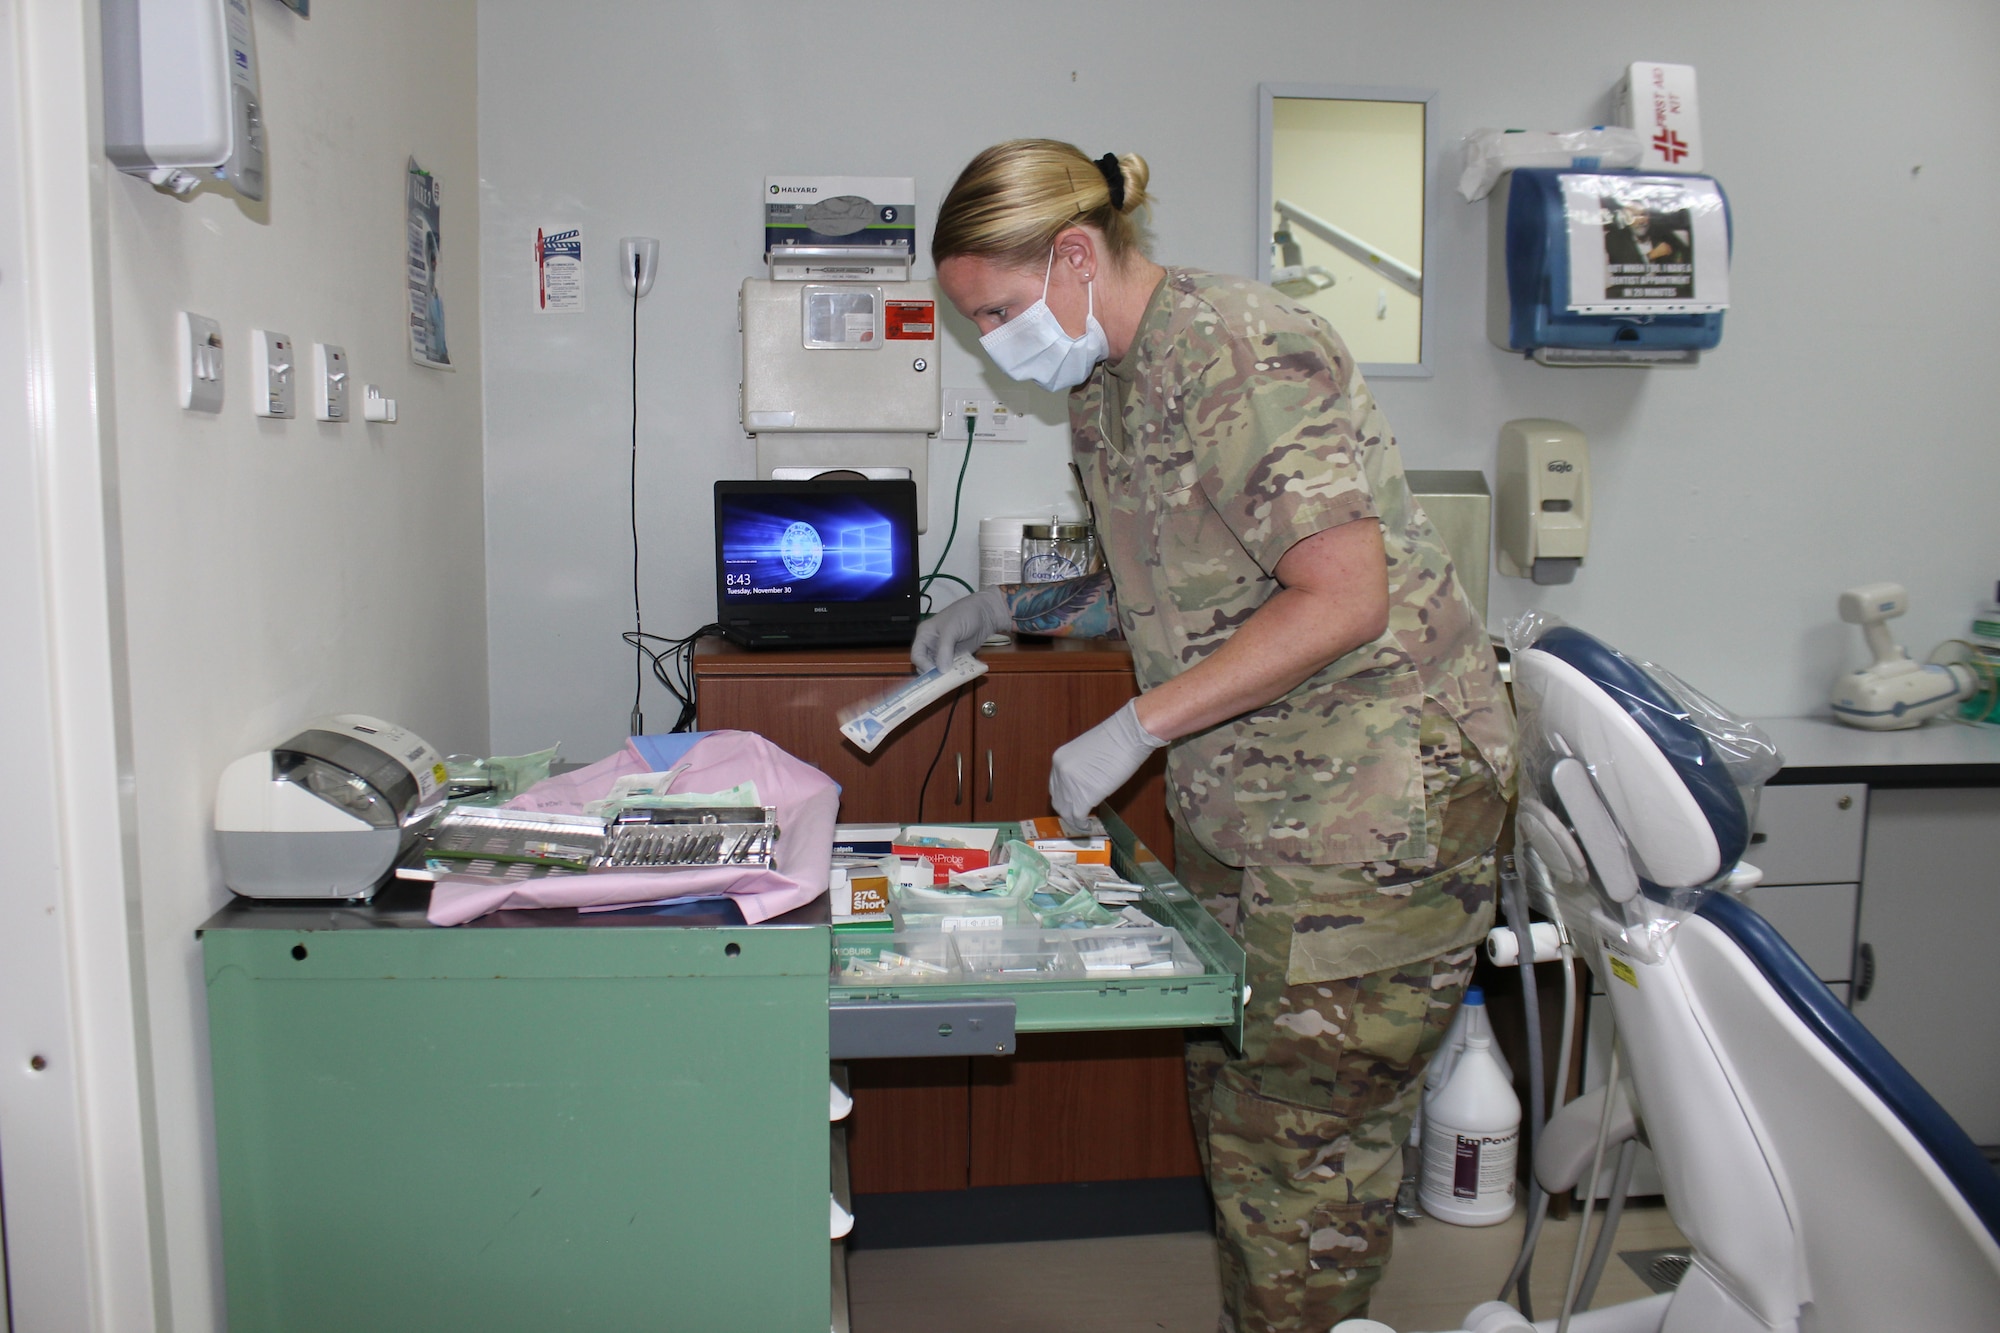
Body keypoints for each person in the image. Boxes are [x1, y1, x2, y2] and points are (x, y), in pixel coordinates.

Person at [914, 140, 1517, 1332]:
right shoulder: (1104, 383)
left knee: (1301, 1158)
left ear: (1075, 255)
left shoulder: (1240, 350)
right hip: (1258, 807)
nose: (990, 343)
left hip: (1370, 815)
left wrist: (1133, 727)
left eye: (992, 310)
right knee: (1250, 1125)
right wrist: (1008, 612)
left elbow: (1339, 596)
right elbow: (1168, 571)